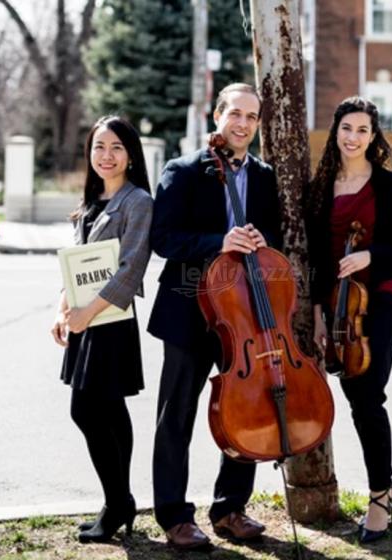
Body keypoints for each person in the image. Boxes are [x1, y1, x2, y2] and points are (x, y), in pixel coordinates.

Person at [147, 83, 282, 550]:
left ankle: (230, 509)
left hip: (242, 314)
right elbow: (164, 239)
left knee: (247, 409)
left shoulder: (264, 176)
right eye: (235, 114)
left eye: (251, 117)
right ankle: (174, 516)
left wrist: (265, 243)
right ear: (217, 116)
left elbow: (276, 238)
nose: (242, 124)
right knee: (176, 415)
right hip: (189, 308)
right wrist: (218, 241)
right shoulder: (183, 170)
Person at [306, 96, 392, 544]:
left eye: (363, 130)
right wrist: (318, 314)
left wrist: (369, 255)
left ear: (373, 137)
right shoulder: (321, 186)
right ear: (335, 131)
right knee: (355, 390)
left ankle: (380, 493)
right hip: (336, 305)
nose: (353, 137)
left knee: (367, 391)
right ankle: (384, 488)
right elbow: (317, 258)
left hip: (382, 297)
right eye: (347, 128)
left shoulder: (390, 187)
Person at [50, 115, 153, 543]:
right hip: (85, 320)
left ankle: (117, 503)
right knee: (107, 410)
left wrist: (85, 314)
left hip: (110, 321)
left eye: (115, 148)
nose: (106, 156)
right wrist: (60, 311)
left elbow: (130, 272)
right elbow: (74, 265)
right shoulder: (91, 202)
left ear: (130, 156)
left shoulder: (138, 202)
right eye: (98, 147)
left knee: (88, 410)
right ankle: (119, 501)